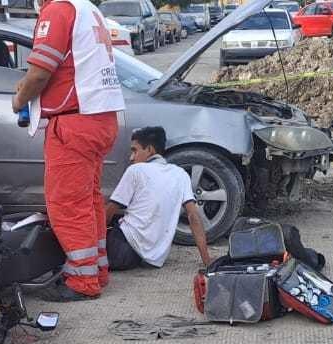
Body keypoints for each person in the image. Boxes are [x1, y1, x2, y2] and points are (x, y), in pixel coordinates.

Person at [12, 0, 126, 302]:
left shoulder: (58, 10)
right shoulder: (87, 8)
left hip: (75, 121)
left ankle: (82, 280)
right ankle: (96, 269)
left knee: (67, 204)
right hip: (100, 117)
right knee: (88, 200)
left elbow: (39, 74)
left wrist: (20, 99)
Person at [105, 127, 212, 271]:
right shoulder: (180, 174)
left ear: (150, 150)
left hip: (121, 250)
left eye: (135, 150)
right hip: (153, 258)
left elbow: (111, 210)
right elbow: (193, 217)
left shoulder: (136, 170)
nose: (131, 157)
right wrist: (207, 260)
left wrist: (96, 241)